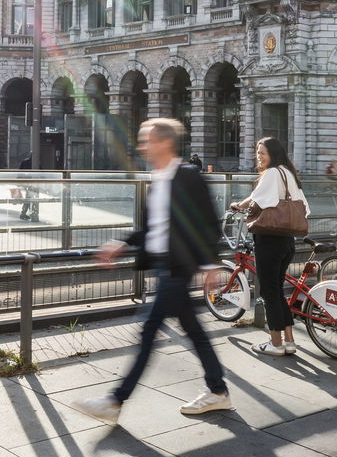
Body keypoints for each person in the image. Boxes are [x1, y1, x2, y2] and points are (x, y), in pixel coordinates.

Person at [79, 119, 231, 423]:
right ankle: (218, 391)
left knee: (148, 331)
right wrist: (120, 243)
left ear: (164, 143)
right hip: (164, 265)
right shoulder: (159, 177)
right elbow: (151, 228)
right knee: (195, 331)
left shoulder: (188, 176)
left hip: (179, 267)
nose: (141, 146)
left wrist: (210, 263)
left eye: (146, 140)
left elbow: (209, 222)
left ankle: (116, 399)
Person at [228, 136, 309, 357]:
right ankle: (289, 341)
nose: (258, 156)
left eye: (262, 152)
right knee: (278, 291)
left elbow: (257, 200)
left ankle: (275, 343)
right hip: (286, 240)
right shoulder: (288, 173)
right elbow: (301, 204)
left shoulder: (273, 173)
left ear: (273, 154)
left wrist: (237, 206)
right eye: (257, 152)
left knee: (269, 291)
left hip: (269, 239)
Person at [18, 154, 38, 221]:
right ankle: (29, 212)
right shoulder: (37, 162)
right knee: (31, 198)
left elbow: (20, 172)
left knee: (28, 197)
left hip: (26, 182)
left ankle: (26, 212)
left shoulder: (24, 161)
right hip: (33, 183)